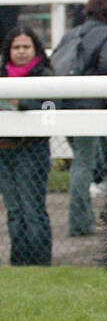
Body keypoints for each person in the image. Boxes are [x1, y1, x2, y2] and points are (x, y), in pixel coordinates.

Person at [50, 0, 107, 236]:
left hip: (64, 102)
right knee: (84, 163)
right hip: (87, 106)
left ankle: (84, 218)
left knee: (83, 162)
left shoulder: (72, 33)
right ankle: (79, 223)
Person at [0, 24, 53, 265]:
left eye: (26, 46)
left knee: (33, 210)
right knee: (14, 211)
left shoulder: (45, 76)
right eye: (16, 47)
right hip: (5, 150)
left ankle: (40, 263)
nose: (21, 51)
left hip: (32, 149)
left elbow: (52, 110)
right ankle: (19, 262)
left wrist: (22, 104)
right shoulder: (3, 75)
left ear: (36, 49)